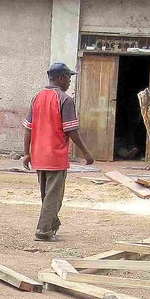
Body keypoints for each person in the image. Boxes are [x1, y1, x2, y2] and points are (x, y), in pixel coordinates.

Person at [21, 62, 94, 241]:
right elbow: (71, 130)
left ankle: (52, 225)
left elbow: (28, 128)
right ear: (60, 78)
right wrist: (86, 152)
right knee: (54, 196)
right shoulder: (65, 100)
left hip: (39, 155)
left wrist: (26, 153)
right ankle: (43, 231)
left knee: (47, 195)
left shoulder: (37, 97)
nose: (69, 82)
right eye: (68, 78)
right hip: (55, 156)